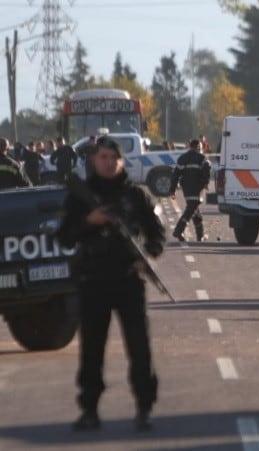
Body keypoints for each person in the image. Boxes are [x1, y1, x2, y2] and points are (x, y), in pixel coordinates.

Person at [57, 137, 164, 432]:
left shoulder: (136, 197)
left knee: (139, 347)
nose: (108, 162)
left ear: (122, 161)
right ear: (94, 160)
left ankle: (144, 407)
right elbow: (64, 237)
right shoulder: (81, 197)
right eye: (103, 157)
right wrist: (89, 221)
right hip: (92, 280)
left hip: (129, 280)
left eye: (113, 157)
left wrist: (149, 256)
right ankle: (89, 409)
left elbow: (157, 234)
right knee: (92, 348)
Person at [169, 139, 211, 242]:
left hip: (186, 188)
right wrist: (205, 182)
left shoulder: (183, 158)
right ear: (198, 147)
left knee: (194, 210)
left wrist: (172, 189)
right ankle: (178, 230)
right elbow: (207, 168)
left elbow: (176, 174)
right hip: (197, 188)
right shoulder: (202, 158)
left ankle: (200, 236)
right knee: (191, 210)